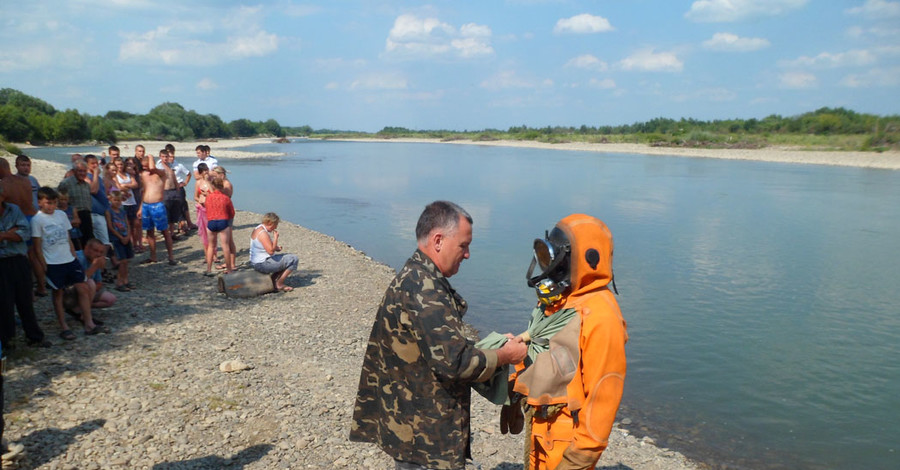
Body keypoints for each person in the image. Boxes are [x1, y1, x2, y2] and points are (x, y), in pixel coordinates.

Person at [350, 200, 528, 470]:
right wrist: (506, 355)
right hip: (424, 438)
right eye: (463, 246)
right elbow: (454, 364)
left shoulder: (416, 276)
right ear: (438, 240)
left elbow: (433, 347)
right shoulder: (425, 290)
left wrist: (487, 346)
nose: (467, 254)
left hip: (409, 425)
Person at [507, 214, 628, 470]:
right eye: (544, 257)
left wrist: (580, 458)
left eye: (553, 259)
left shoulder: (602, 317)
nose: (547, 267)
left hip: (566, 440)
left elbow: (603, 397)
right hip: (542, 430)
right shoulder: (564, 301)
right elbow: (548, 353)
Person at [31, 187, 104, 340]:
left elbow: (68, 237)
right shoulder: (37, 220)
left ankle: (88, 322)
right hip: (53, 261)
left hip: (69, 259)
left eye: (54, 203)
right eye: (48, 203)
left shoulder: (62, 215)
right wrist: (44, 265)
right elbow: (37, 247)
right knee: (58, 292)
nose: (51, 206)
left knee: (83, 286)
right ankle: (63, 325)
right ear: (40, 203)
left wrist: (73, 255)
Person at [0, 184, 49, 349]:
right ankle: (8, 341)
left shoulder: (13, 209)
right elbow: (18, 233)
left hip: (19, 259)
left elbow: (25, 233)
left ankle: (34, 336)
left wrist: (3, 235)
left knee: (25, 300)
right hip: (1, 263)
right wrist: (12, 233)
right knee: (4, 303)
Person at [139, 151, 176, 265]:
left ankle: (171, 256)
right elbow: (144, 191)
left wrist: (150, 157)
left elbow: (153, 169)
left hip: (157, 205)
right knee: (149, 231)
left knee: (165, 231)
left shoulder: (161, 173)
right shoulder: (143, 175)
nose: (147, 169)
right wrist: (140, 207)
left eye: (147, 166)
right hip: (146, 205)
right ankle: (153, 256)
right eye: (144, 167)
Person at [248, 212, 298, 291]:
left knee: (285, 257)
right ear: (270, 223)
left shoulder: (258, 228)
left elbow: (265, 246)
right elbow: (270, 251)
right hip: (262, 264)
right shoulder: (263, 233)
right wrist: (275, 238)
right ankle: (279, 284)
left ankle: (273, 279)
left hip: (256, 261)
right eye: (275, 224)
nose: (276, 227)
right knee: (294, 259)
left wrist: (276, 248)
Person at [58, 161, 93, 249]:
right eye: (79, 171)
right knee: (76, 242)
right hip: (73, 217)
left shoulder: (87, 185)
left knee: (88, 240)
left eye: (84, 171)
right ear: (74, 171)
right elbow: (58, 200)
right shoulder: (65, 183)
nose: (82, 173)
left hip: (87, 215)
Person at [204, 177, 235, 275]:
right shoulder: (226, 198)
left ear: (213, 186)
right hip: (222, 221)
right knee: (225, 246)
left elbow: (207, 209)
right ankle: (229, 269)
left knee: (211, 246)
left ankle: (209, 269)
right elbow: (232, 212)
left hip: (211, 221)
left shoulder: (208, 197)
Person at [105, 192, 133, 291]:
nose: (117, 202)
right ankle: (119, 282)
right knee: (122, 261)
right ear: (110, 200)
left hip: (126, 236)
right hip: (117, 238)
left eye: (119, 200)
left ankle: (125, 280)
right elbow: (110, 227)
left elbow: (127, 224)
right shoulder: (109, 211)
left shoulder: (122, 211)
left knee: (126, 261)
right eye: (115, 200)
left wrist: (128, 235)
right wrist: (120, 237)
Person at [193, 162, 212, 258]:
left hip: (211, 209)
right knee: (204, 232)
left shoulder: (212, 181)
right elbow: (195, 196)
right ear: (200, 173)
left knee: (211, 231)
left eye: (207, 170)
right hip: (202, 208)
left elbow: (215, 194)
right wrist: (200, 201)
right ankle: (206, 254)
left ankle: (214, 254)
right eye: (204, 171)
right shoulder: (198, 183)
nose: (206, 172)